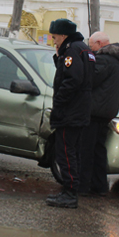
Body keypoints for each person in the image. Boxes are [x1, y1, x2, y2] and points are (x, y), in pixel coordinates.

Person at [46, 19, 95, 209]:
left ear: (64, 35)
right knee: (73, 153)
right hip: (80, 110)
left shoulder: (72, 50)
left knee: (65, 153)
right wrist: (59, 58)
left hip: (70, 112)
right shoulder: (84, 49)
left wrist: (59, 102)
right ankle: (71, 190)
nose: (53, 41)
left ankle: (69, 193)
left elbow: (72, 79)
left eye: (55, 37)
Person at [79, 32, 119, 197]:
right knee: (99, 151)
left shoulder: (103, 60)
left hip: (95, 111)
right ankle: (99, 186)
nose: (90, 48)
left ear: (100, 43)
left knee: (86, 150)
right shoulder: (118, 61)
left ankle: (83, 186)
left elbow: (90, 80)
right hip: (107, 112)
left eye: (92, 45)